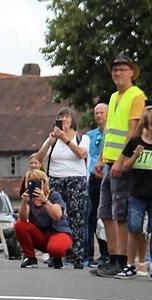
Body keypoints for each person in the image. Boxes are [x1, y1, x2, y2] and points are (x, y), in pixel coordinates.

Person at [93, 55, 146, 278]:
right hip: (109, 161)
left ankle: (124, 260)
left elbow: (134, 131)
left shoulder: (136, 96)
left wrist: (123, 160)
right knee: (105, 211)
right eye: (115, 70)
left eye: (122, 69)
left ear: (131, 72)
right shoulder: (114, 96)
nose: (118, 74)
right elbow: (110, 131)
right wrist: (100, 159)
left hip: (122, 164)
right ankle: (113, 257)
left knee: (120, 212)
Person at [35, 107, 89, 269]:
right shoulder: (52, 139)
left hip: (76, 179)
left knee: (77, 217)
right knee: (55, 217)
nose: (64, 119)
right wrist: (50, 142)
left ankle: (77, 255)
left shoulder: (81, 138)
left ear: (73, 119)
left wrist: (65, 139)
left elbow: (81, 154)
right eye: (61, 117)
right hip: (56, 178)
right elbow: (38, 158)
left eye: (67, 116)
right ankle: (56, 255)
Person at [117, 107, 152, 279]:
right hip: (137, 192)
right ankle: (130, 264)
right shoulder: (135, 143)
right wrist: (135, 156)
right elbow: (124, 166)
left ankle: (147, 263)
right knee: (134, 227)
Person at [15, 170, 73, 269]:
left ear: (44, 182)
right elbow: (23, 218)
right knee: (19, 225)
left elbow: (57, 216)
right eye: (31, 181)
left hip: (58, 232)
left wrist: (45, 200)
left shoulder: (54, 195)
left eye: (37, 181)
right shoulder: (29, 198)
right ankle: (30, 258)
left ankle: (57, 258)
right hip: (41, 236)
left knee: (56, 248)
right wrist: (24, 202)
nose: (34, 184)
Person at [86, 103, 109, 267]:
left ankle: (111, 252)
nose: (99, 116)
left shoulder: (111, 134)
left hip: (108, 176)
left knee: (108, 216)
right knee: (94, 216)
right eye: (96, 113)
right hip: (92, 178)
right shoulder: (90, 135)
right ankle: (102, 253)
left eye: (102, 112)